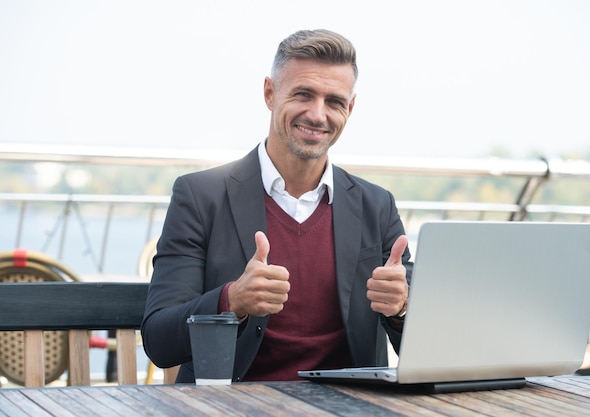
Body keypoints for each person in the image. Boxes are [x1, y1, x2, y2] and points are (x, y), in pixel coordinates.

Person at [141, 28, 412, 383]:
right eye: (303, 95)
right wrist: (231, 300)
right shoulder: (200, 196)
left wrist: (402, 309)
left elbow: (429, 349)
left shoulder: (376, 205)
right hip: (231, 407)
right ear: (270, 93)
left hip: (348, 408)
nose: (318, 115)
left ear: (351, 107)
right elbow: (159, 341)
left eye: (334, 101)